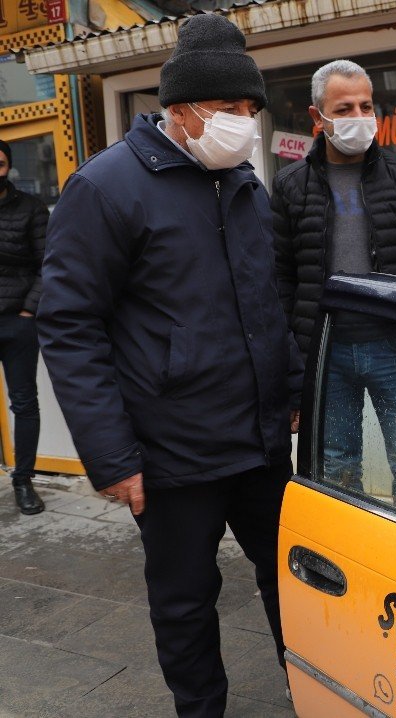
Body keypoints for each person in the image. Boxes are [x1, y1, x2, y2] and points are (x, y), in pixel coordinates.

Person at [36, 14, 302, 717]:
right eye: (228, 111)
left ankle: (309, 689)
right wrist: (112, 456)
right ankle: (200, 709)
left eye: (251, 110)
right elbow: (69, 326)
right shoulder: (105, 188)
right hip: (171, 452)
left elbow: (266, 298)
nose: (244, 124)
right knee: (185, 602)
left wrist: (290, 387)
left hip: (260, 441)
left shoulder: (243, 182)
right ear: (179, 111)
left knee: (293, 579)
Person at [270, 59, 396, 517]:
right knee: (335, 467)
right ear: (318, 118)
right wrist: (294, 359)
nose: (358, 116)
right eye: (344, 107)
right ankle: (346, 561)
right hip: (325, 355)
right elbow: (282, 278)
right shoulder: (291, 185)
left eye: (366, 106)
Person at [0, 139, 46, 515]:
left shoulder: (30, 208)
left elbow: (49, 263)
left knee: (24, 403)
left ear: (8, 167)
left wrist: (29, 312)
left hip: (18, 322)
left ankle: (23, 480)